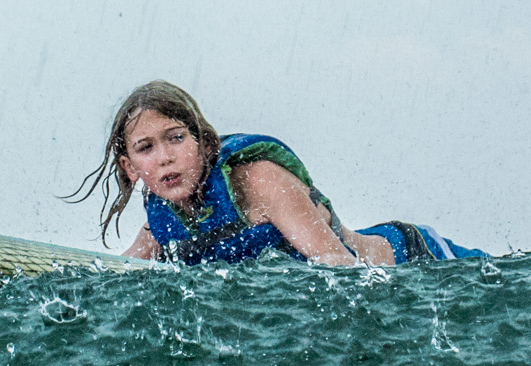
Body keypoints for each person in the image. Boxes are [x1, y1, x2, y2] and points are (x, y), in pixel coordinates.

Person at [70, 80, 486, 265]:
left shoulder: (258, 182)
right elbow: (114, 275)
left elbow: (339, 266)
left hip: (418, 259)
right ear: (130, 167)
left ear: (203, 143)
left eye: (176, 138)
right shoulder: (163, 223)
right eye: (146, 148)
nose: (164, 158)